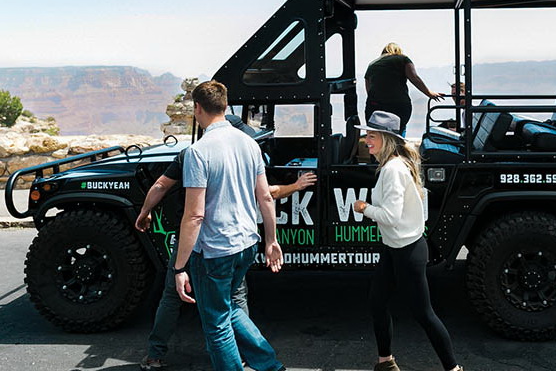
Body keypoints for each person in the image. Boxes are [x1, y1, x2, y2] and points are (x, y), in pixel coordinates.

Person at [135, 141, 315, 370]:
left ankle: (155, 355)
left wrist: (145, 211)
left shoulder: (192, 154)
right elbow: (268, 194)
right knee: (234, 303)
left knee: (175, 298)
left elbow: (162, 186)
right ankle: (247, 356)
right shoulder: (245, 150)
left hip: (199, 242)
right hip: (236, 241)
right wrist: (273, 234)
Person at [173, 80, 285, 371]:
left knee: (217, 324)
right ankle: (271, 366)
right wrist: (271, 240)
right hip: (247, 243)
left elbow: (195, 215)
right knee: (232, 308)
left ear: (198, 108)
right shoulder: (249, 144)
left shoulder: (198, 152)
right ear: (224, 106)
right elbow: (265, 197)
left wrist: (179, 266)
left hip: (215, 250)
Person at [352, 111, 463, 371]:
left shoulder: (392, 170)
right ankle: (386, 362)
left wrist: (363, 207)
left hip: (407, 251)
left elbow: (390, 216)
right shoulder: (395, 163)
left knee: (424, 315)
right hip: (395, 248)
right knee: (377, 302)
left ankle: (454, 368)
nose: (366, 140)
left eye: (371, 136)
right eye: (366, 135)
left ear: (387, 139)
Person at [364, 42, 443, 134]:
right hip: (399, 105)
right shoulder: (403, 59)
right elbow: (414, 78)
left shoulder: (372, 64)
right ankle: (399, 145)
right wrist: (429, 93)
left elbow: (369, 88)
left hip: (375, 106)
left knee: (377, 133)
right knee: (398, 131)